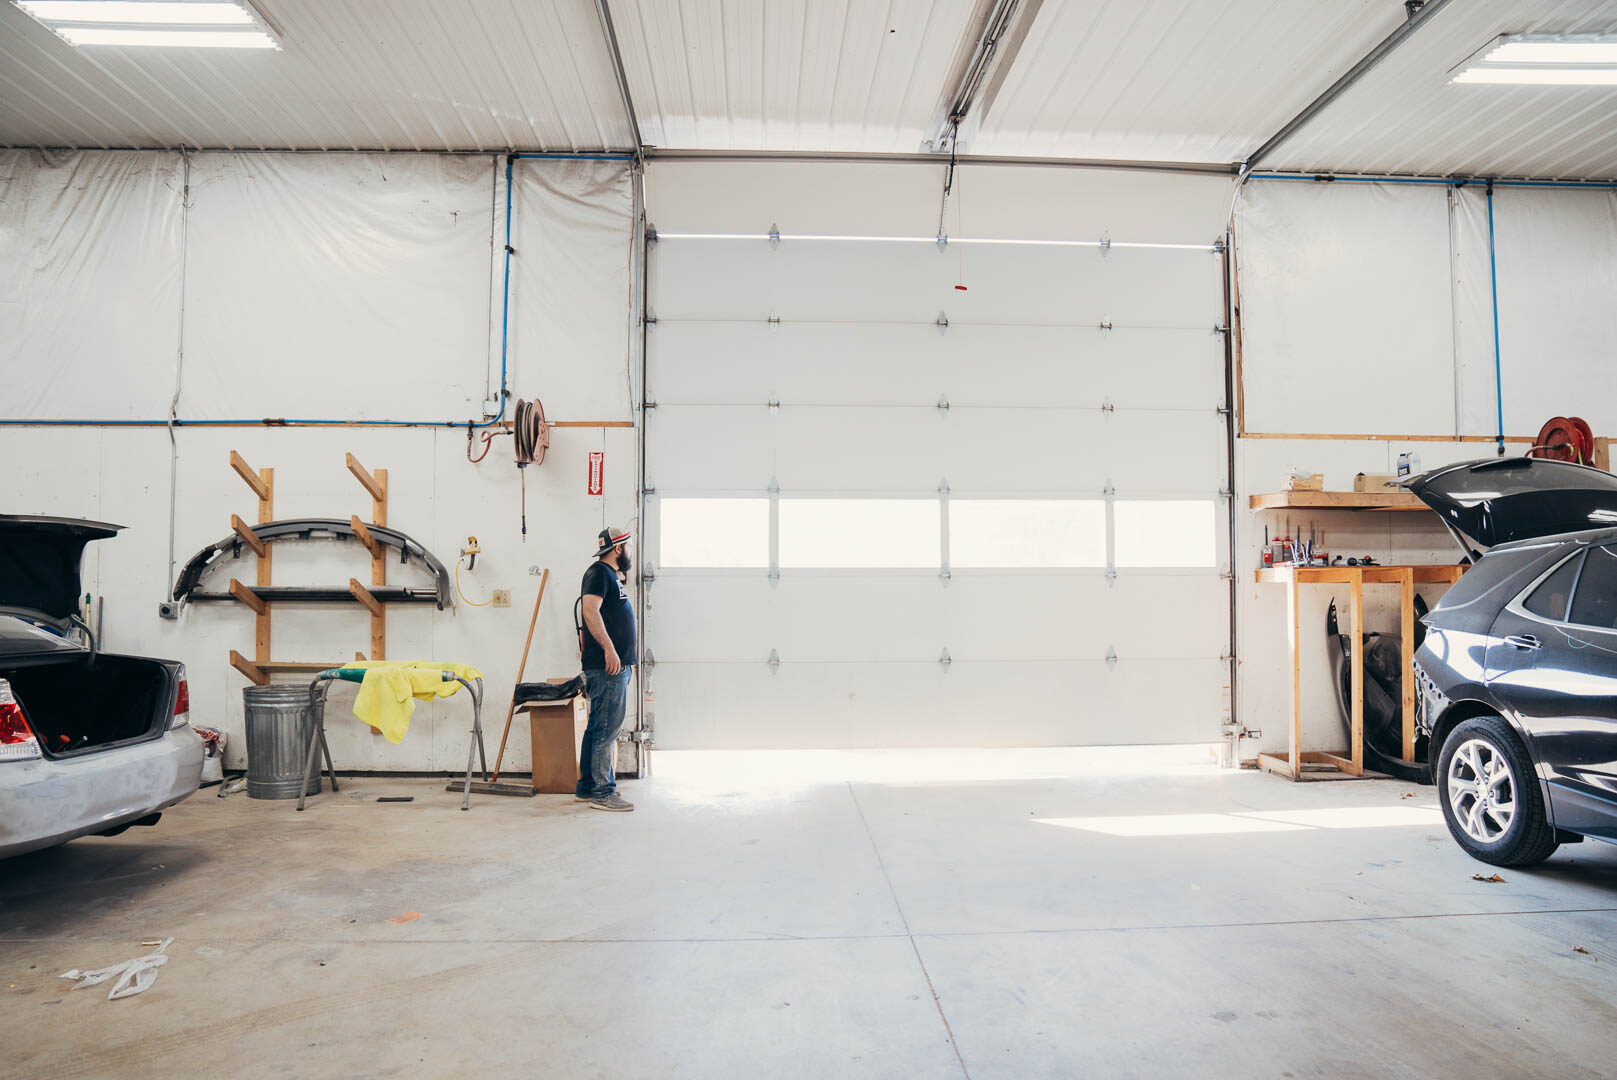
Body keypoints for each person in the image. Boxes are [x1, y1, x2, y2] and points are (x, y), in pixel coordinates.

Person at [576, 526, 637, 811]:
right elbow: (590, 610)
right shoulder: (599, 573)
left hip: (611, 664)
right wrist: (610, 650)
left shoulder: (609, 575)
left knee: (597, 727)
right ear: (618, 549)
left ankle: (588, 787)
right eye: (627, 547)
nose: (630, 552)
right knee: (605, 730)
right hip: (608, 665)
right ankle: (603, 792)